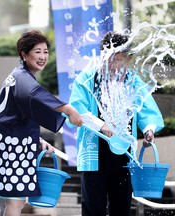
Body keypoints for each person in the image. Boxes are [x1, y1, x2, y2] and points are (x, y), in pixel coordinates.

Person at [0, 30, 83, 216]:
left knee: (7, 203)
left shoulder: (20, 75)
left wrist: (36, 139)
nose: (43, 57)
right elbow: (34, 94)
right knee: (16, 202)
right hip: (10, 146)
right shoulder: (22, 77)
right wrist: (68, 109)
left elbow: (19, 112)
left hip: (2, 142)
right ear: (24, 53)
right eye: (37, 51)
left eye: (46, 51)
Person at [69, 32, 164, 216]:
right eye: (111, 59)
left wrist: (148, 130)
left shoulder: (133, 80)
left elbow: (146, 108)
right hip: (95, 152)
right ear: (103, 55)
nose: (114, 65)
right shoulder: (87, 79)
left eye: (120, 60)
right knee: (93, 205)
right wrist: (101, 125)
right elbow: (75, 109)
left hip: (124, 153)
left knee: (122, 206)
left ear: (128, 59)